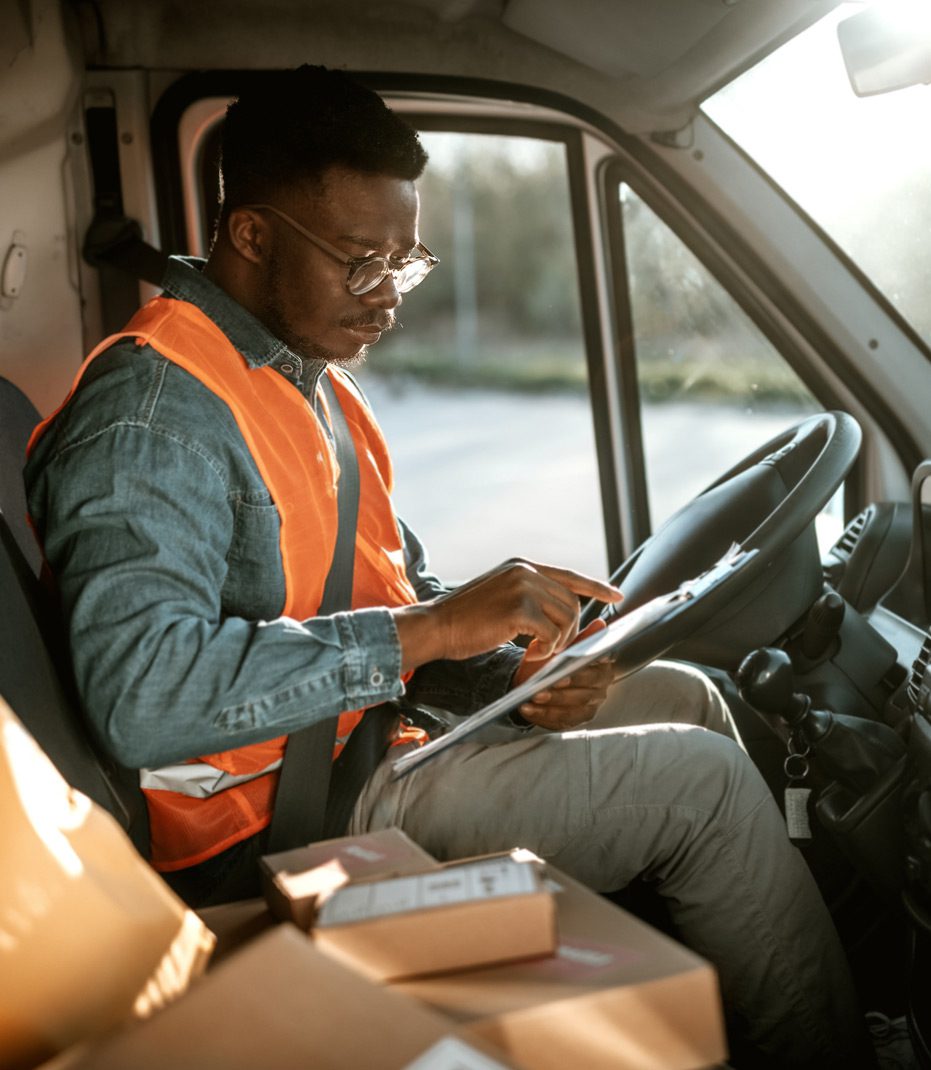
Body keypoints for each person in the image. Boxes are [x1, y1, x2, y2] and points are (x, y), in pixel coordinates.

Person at [25, 65, 874, 1068]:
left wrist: (512, 670)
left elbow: (393, 596)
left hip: (378, 739)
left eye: (404, 260)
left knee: (682, 693)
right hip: (283, 821)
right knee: (702, 784)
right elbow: (141, 693)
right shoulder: (152, 415)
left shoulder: (314, 389)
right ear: (250, 235)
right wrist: (430, 632)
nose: (386, 298)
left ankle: (717, 999)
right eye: (359, 261)